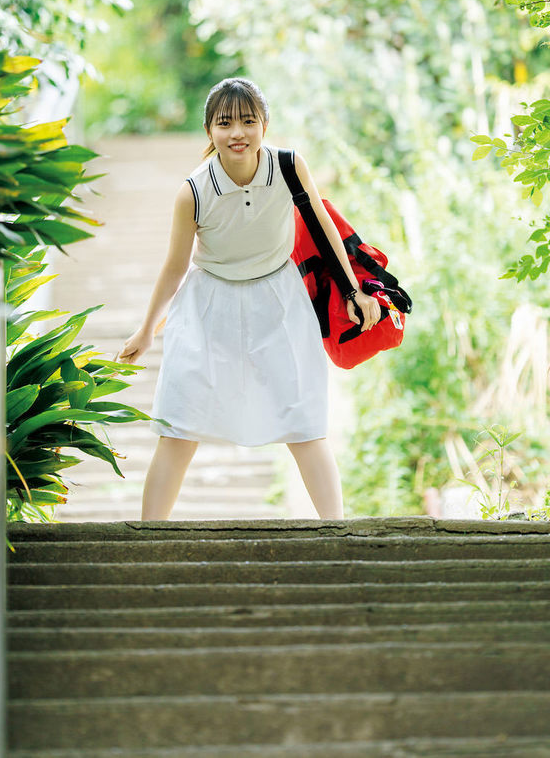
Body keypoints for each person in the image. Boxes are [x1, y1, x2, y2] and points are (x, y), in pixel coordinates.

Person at [117, 77, 381, 521]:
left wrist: (354, 290)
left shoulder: (290, 166)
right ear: (209, 132)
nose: (236, 132)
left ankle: (338, 530)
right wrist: (147, 329)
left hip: (278, 300)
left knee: (304, 420)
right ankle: (147, 537)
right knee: (179, 423)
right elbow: (175, 265)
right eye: (225, 123)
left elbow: (322, 225)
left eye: (247, 121)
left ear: (264, 125)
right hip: (208, 305)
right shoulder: (193, 191)